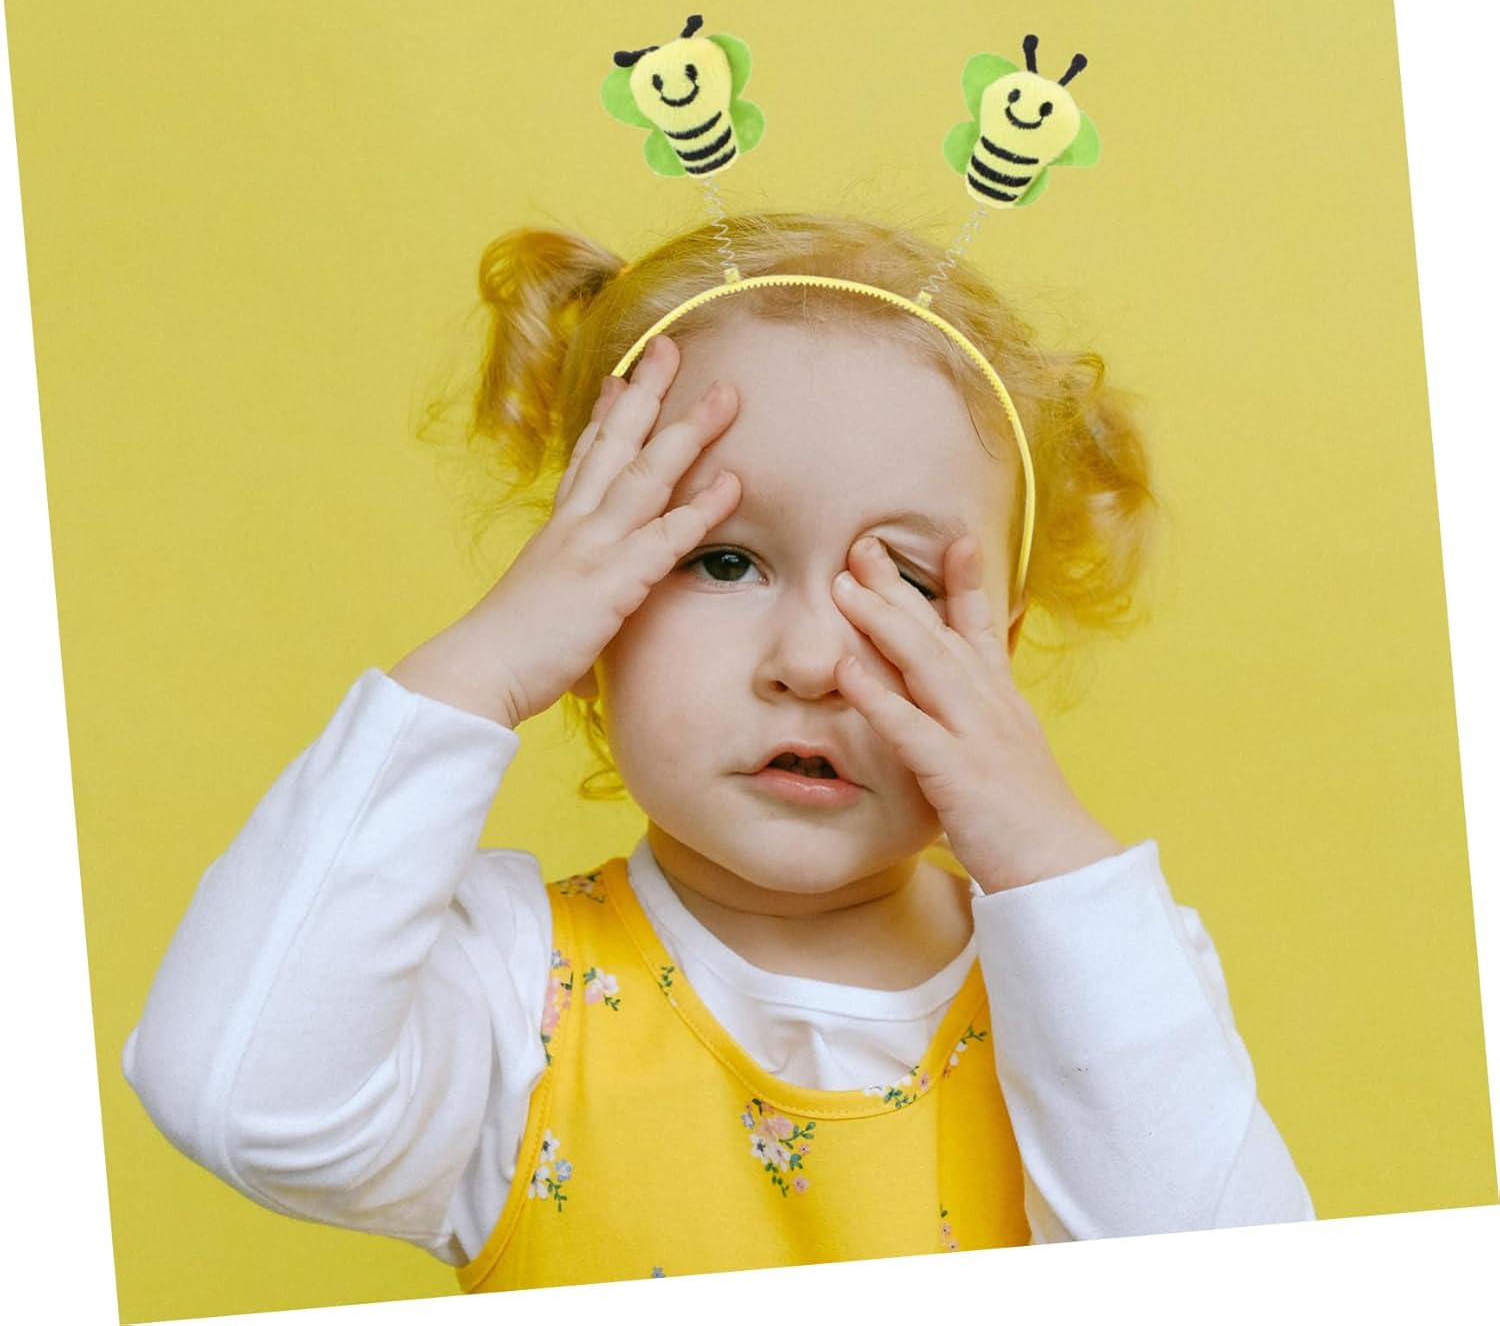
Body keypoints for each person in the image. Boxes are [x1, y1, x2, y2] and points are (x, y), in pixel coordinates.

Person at [124, 212, 1314, 1295]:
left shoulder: (1098, 977)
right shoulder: (509, 993)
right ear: (591, 616)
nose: (811, 659)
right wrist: (480, 670)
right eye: (724, 560)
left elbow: (1241, 1292)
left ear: (994, 655)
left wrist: (1053, 862)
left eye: (903, 585)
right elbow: (235, 1096)